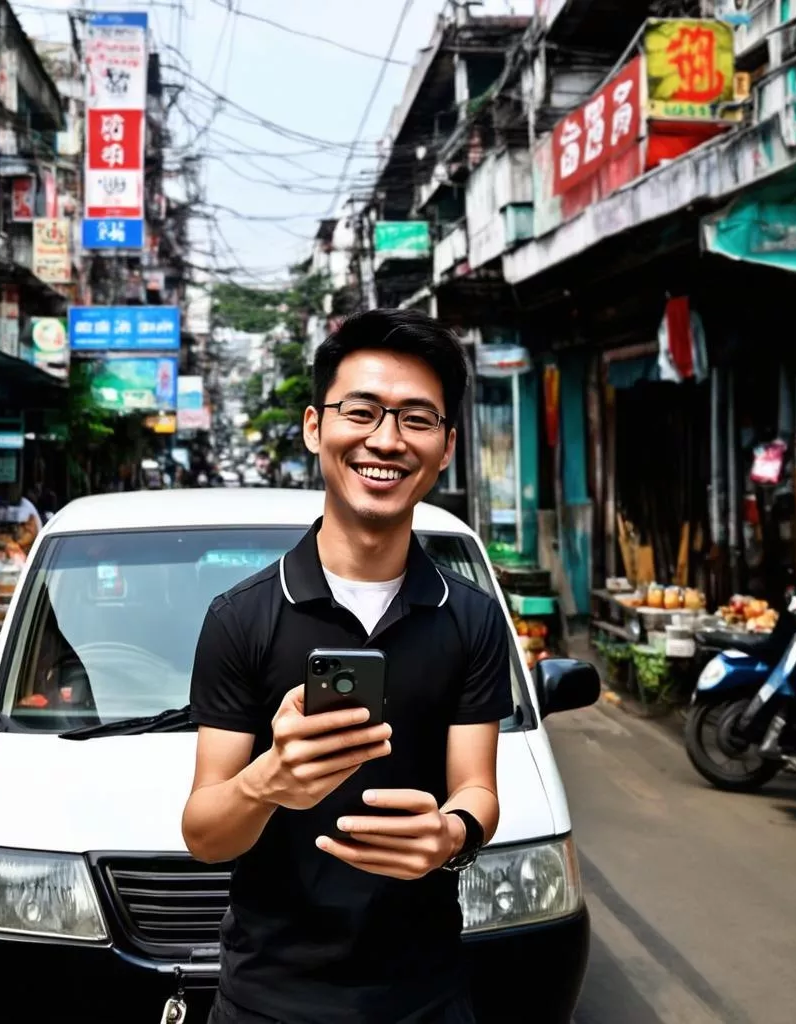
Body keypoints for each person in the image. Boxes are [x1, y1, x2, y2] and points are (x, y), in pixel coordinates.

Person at [183, 309, 514, 1024]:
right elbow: (206, 833)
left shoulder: (474, 617)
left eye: (416, 419)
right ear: (314, 426)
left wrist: (451, 836)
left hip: (425, 996)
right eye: (361, 411)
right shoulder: (240, 618)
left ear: (447, 445)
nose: (386, 440)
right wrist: (268, 781)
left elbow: (478, 787)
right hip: (268, 1001)